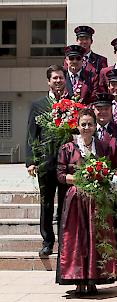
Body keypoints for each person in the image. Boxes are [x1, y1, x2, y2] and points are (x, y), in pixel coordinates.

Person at [56, 108, 117, 295]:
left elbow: (107, 171)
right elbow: (59, 175)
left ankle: (94, 278)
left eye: (90, 124)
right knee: (76, 238)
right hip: (75, 199)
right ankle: (78, 280)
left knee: (96, 237)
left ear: (95, 126)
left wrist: (99, 177)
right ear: (77, 126)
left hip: (97, 199)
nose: (86, 127)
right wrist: (81, 178)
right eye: (83, 124)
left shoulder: (102, 147)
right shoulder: (67, 148)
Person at [25, 65, 68, 257]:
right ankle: (47, 241)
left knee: (66, 205)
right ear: (48, 81)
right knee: (47, 204)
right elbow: (31, 135)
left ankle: (65, 241)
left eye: (61, 78)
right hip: (45, 163)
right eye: (55, 78)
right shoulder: (38, 105)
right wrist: (30, 161)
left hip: (67, 164)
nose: (58, 81)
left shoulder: (71, 104)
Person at [92, 93, 117, 252]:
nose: (102, 112)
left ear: (111, 110)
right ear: (93, 110)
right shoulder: (89, 129)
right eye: (99, 109)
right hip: (96, 182)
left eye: (106, 109)